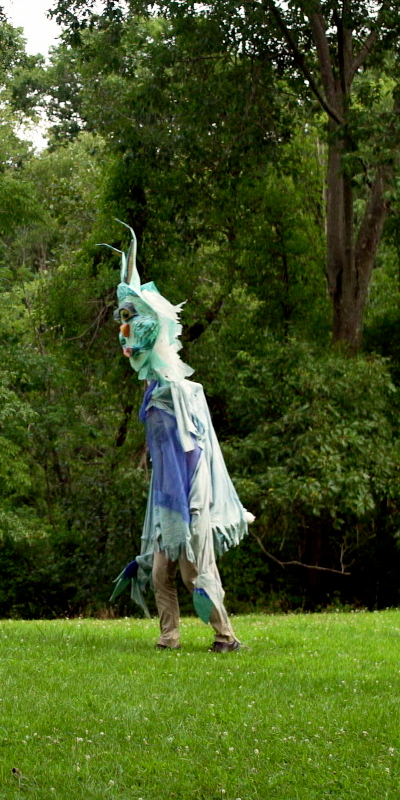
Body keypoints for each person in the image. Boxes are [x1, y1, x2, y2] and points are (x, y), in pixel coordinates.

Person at [101, 224, 254, 652]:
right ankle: (169, 637)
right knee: (158, 573)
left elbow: (194, 449)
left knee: (193, 574)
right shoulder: (154, 391)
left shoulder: (180, 392)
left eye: (130, 320)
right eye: (121, 320)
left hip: (190, 496)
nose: (124, 332)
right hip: (166, 498)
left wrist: (190, 507)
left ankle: (226, 637)